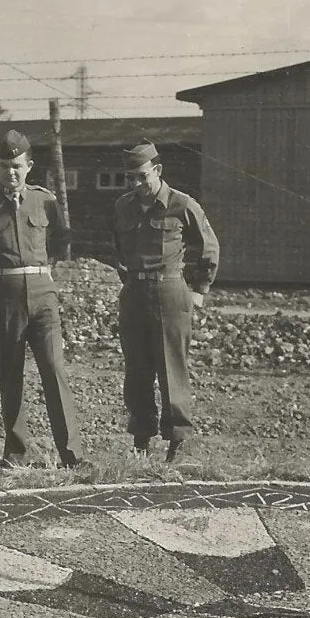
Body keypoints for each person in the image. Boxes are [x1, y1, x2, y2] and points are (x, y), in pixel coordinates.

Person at [0, 129, 83, 468]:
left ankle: (72, 454)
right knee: (10, 373)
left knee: (54, 369)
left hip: (43, 295)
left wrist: (43, 271)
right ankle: (16, 453)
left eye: (15, 166)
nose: (9, 173)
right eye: (3, 166)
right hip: (2, 296)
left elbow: (61, 239)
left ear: (29, 166)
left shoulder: (44, 200)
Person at [112, 140, 219, 461]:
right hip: (134, 294)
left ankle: (179, 440)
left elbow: (209, 247)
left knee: (171, 367)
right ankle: (141, 438)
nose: (136, 184)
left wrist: (200, 289)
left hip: (170, 292)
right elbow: (119, 247)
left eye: (142, 176)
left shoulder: (182, 205)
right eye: (130, 177)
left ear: (157, 171)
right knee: (137, 370)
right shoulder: (123, 206)